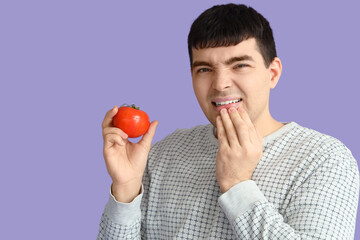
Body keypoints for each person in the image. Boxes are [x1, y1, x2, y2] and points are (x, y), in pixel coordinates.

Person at [97, 3, 359, 239]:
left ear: (273, 73)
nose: (220, 84)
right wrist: (126, 190)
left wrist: (237, 184)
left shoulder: (324, 159)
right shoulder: (166, 152)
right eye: (204, 69)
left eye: (240, 65)